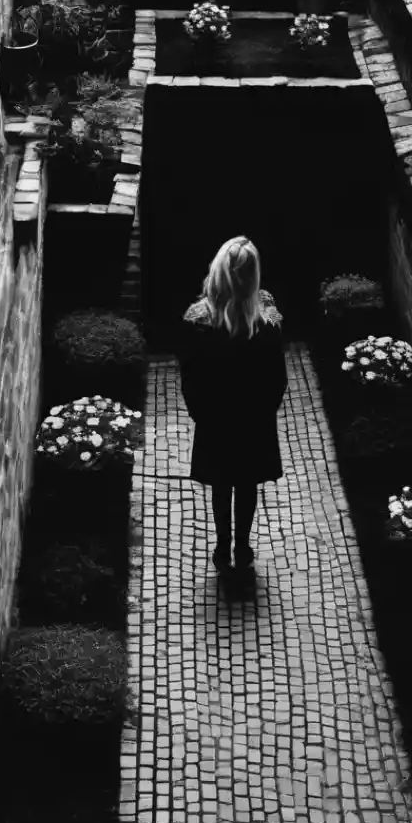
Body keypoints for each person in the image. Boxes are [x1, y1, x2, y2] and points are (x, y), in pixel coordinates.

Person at [178, 236, 288, 575]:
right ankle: (242, 545)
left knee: (222, 483)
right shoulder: (266, 321)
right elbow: (277, 378)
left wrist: (201, 413)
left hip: (216, 419)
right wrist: (265, 411)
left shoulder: (199, 322)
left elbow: (190, 377)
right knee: (246, 483)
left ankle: (223, 543)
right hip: (253, 420)